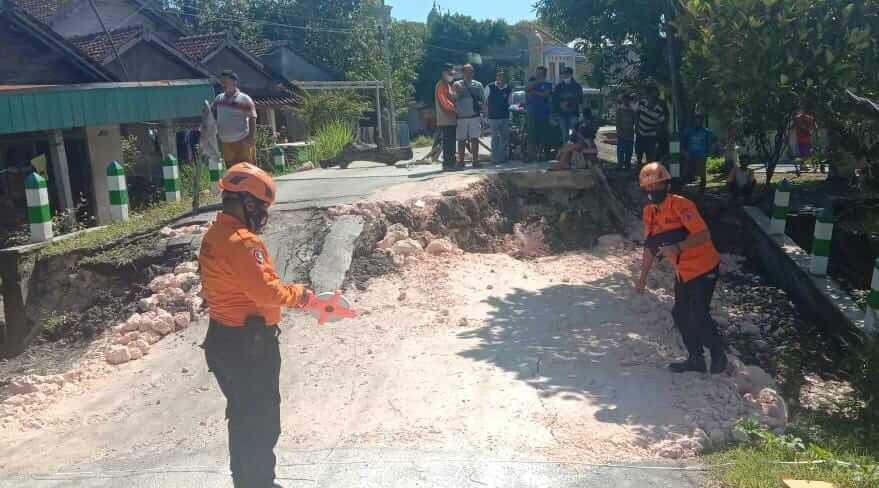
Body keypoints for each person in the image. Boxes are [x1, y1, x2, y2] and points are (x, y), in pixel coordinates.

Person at [199, 162, 317, 488]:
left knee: (242, 416)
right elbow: (264, 292)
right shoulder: (243, 242)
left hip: (223, 338)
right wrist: (302, 295)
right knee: (261, 421)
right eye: (261, 206)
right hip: (249, 345)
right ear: (247, 203)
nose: (263, 214)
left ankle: (248, 482)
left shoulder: (214, 235)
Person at [635, 162, 727, 374]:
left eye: (656, 186)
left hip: (704, 265)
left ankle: (718, 353)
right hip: (683, 270)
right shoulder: (649, 212)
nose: (652, 191)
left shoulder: (681, 205)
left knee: (699, 313)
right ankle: (695, 358)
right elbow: (651, 246)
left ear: (666, 185)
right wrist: (642, 278)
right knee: (680, 314)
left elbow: (704, 234)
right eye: (648, 188)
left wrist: (678, 246)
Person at [213, 70, 258, 165]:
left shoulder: (245, 99)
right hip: (226, 142)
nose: (223, 84)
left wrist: (251, 137)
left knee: (247, 169)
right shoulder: (218, 99)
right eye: (222, 82)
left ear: (234, 82)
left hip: (242, 140)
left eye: (226, 82)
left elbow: (252, 118)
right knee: (232, 172)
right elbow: (213, 116)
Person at [453, 64, 485, 168]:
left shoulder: (478, 84)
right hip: (461, 117)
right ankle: (461, 162)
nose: (469, 73)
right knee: (461, 140)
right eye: (467, 71)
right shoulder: (457, 84)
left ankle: (475, 161)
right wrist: (458, 92)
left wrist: (484, 113)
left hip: (474, 116)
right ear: (463, 72)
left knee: (475, 139)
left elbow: (483, 100)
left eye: (471, 71)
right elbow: (453, 98)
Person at [682, 113, 716, 196]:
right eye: (696, 120)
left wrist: (709, 150)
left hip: (701, 156)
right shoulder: (689, 131)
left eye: (699, 120)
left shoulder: (706, 132)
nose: (697, 122)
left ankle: (701, 192)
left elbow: (714, 140)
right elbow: (683, 142)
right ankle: (683, 191)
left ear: (702, 122)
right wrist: (684, 152)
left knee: (702, 174)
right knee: (686, 173)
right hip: (690, 155)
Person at [484, 70, 513, 164]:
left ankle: (503, 157)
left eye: (503, 77)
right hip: (493, 117)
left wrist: (511, 117)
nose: (501, 78)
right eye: (499, 76)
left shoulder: (508, 88)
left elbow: (510, 103)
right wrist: (485, 116)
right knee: (495, 138)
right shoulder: (490, 87)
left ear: (505, 78)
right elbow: (484, 101)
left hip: (505, 116)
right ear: (496, 77)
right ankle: (494, 158)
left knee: (505, 138)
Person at [526, 66, 554, 161]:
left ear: (544, 74)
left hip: (543, 113)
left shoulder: (548, 84)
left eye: (540, 73)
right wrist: (535, 86)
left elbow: (545, 94)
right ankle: (531, 155)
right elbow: (527, 89)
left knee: (543, 134)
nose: (538, 74)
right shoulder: (532, 82)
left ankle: (542, 155)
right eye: (537, 72)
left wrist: (533, 92)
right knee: (532, 135)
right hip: (532, 112)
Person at [635, 85, 666, 166]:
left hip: (651, 136)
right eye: (652, 95)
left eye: (656, 96)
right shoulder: (642, 103)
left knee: (650, 156)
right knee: (639, 153)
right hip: (640, 133)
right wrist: (637, 128)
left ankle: (649, 173)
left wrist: (656, 133)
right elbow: (636, 115)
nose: (654, 98)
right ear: (648, 95)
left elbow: (661, 123)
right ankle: (638, 168)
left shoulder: (659, 110)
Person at [435, 63, 458, 171]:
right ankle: (448, 164)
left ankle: (451, 162)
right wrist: (455, 109)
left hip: (450, 119)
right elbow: (445, 102)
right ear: (444, 73)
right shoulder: (441, 85)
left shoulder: (447, 85)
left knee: (451, 142)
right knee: (448, 143)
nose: (451, 75)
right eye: (450, 73)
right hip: (446, 119)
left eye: (452, 73)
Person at [552, 66, 583, 144]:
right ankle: (565, 152)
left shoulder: (577, 86)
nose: (565, 75)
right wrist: (556, 111)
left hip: (573, 114)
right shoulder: (558, 87)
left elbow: (580, 100)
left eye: (567, 73)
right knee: (564, 136)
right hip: (562, 115)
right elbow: (554, 101)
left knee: (575, 134)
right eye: (563, 73)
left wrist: (569, 104)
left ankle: (575, 153)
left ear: (571, 74)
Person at [615, 94, 637, 170]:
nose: (626, 101)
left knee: (629, 151)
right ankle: (620, 165)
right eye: (625, 99)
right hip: (622, 133)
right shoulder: (619, 110)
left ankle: (627, 165)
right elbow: (617, 122)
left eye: (628, 99)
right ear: (623, 100)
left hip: (630, 133)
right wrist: (619, 132)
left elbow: (635, 121)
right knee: (621, 151)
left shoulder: (632, 110)